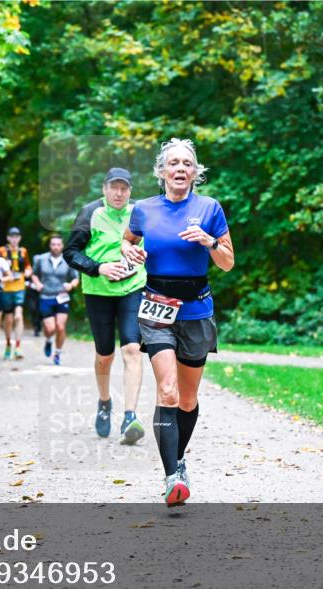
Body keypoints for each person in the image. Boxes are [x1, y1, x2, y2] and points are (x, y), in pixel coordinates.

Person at [121, 138, 234, 507]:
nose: (181, 169)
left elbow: (228, 262)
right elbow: (128, 242)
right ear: (162, 171)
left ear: (196, 172)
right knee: (166, 390)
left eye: (188, 163)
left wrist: (208, 242)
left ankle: (179, 459)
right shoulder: (144, 210)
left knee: (187, 399)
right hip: (156, 307)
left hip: (196, 309)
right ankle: (172, 477)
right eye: (174, 163)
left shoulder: (210, 208)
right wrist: (130, 251)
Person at [64, 167, 147, 444]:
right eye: (114, 187)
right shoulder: (89, 213)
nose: (119, 193)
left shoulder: (140, 214)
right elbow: (70, 252)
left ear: (130, 191)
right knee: (105, 354)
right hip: (98, 291)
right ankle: (104, 402)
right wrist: (99, 268)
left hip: (133, 288)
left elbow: (156, 247)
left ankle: (130, 416)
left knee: (133, 349)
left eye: (124, 188)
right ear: (104, 189)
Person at [31, 234, 80, 365]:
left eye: (58, 244)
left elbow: (76, 278)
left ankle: (57, 353)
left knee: (60, 327)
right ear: (50, 246)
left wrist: (71, 285)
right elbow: (34, 275)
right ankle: (48, 340)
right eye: (53, 244)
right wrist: (37, 284)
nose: (56, 247)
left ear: (62, 246)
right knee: (51, 329)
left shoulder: (67, 260)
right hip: (46, 296)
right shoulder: (41, 259)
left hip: (62, 297)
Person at [0, 227, 32, 360]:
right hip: (6, 288)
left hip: (19, 286)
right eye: (12, 236)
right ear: (8, 238)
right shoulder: (2, 251)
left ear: (20, 238)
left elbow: (28, 265)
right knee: (9, 319)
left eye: (16, 236)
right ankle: (7, 343)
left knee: (18, 316)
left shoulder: (23, 251)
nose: (14, 239)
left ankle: (18, 346)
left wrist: (28, 271)